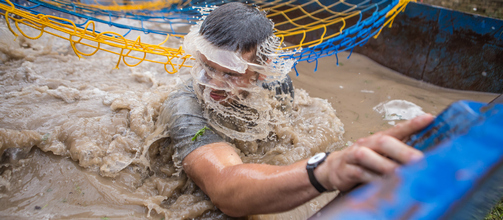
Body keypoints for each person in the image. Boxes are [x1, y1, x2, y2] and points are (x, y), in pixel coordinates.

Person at [161, 2, 434, 217]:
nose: (214, 85)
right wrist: (323, 170)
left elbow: (287, 131)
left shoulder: (277, 84)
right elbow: (225, 189)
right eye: (208, 67)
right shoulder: (185, 105)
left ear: (261, 71)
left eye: (231, 74)